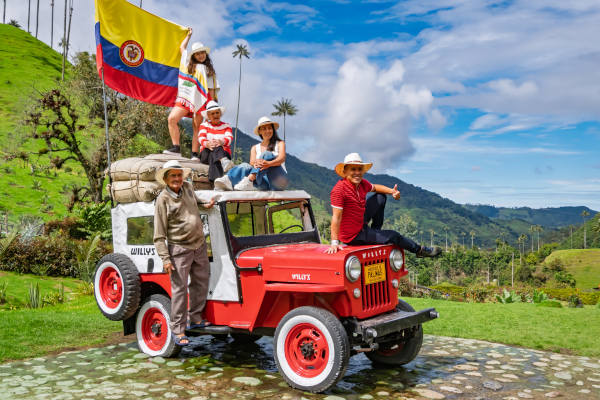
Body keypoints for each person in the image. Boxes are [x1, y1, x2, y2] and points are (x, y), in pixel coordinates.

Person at [326, 153, 442, 257]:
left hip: (360, 222)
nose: (357, 173)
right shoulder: (339, 190)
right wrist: (334, 243)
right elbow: (336, 217)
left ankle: (375, 231)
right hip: (353, 235)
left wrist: (393, 192)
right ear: (345, 172)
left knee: (380, 196)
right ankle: (419, 250)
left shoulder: (361, 184)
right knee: (394, 236)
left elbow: (375, 187)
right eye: (353, 169)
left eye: (359, 169)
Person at [153, 160, 215, 346]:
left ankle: (195, 319)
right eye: (173, 175)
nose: (177, 179)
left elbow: (196, 204)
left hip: (199, 245)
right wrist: (165, 259)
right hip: (179, 249)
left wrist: (207, 204)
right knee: (179, 290)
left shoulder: (187, 187)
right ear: (165, 179)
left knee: (201, 282)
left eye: (179, 175)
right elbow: (158, 235)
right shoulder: (162, 199)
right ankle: (178, 330)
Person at [164, 28, 220, 159]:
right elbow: (182, 48)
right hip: (185, 97)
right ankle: (176, 147)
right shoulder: (187, 63)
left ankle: (195, 154)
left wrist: (211, 105)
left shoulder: (208, 70)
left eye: (203, 53)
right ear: (193, 55)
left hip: (201, 100)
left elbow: (211, 89)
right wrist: (188, 36)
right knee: (172, 119)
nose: (201, 55)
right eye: (198, 54)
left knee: (197, 127)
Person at [213, 116, 289, 191]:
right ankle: (227, 179)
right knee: (245, 166)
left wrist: (269, 163)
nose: (267, 131)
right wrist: (258, 163)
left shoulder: (280, 143)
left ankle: (250, 179)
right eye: (264, 129)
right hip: (263, 182)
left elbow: (281, 159)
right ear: (260, 131)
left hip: (279, 180)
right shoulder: (255, 148)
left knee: (267, 154)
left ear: (273, 130)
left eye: (270, 128)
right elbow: (252, 163)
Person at [198, 100, 234, 182]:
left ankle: (215, 181)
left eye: (217, 113)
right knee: (214, 147)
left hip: (222, 153)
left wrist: (221, 142)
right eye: (212, 113)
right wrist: (207, 144)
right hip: (206, 153)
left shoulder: (226, 126)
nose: (215, 115)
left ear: (220, 113)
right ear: (208, 115)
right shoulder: (204, 125)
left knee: (214, 153)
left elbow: (229, 138)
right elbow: (201, 138)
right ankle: (224, 162)